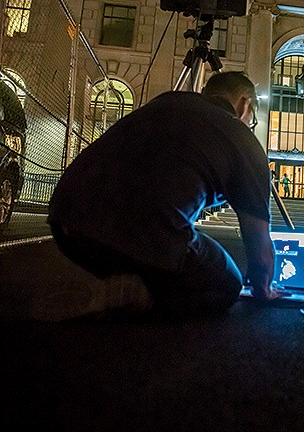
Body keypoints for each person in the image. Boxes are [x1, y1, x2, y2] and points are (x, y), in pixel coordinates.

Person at [33, 71, 283, 321]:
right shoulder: (242, 139)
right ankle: (136, 294)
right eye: (252, 119)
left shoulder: (164, 102)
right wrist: (263, 290)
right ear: (244, 103)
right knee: (226, 285)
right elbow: (258, 245)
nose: (250, 124)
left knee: (146, 247)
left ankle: (121, 280)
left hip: (68, 225)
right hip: (144, 238)